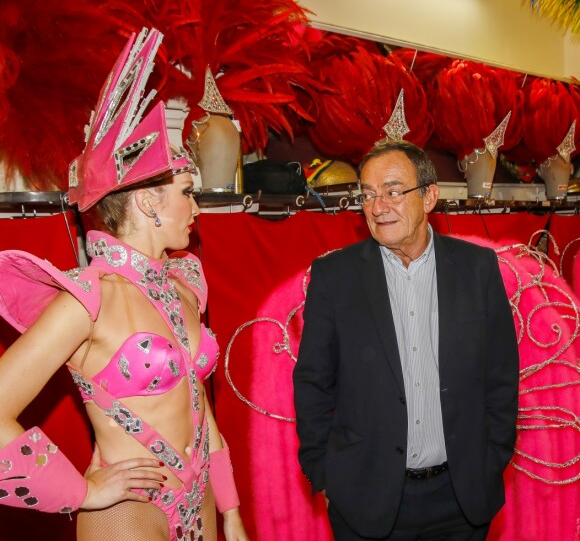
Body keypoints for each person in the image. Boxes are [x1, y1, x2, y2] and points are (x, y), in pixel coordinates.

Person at [0, 28, 248, 541]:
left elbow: (198, 406)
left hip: (199, 497)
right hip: (128, 513)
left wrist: (230, 509)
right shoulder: (89, 299)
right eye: (186, 192)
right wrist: (81, 494)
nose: (197, 208)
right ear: (148, 202)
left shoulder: (185, 284)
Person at [293, 140, 519, 540]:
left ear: (429, 196)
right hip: (366, 498)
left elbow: (501, 375)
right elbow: (312, 382)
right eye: (367, 194)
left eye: (394, 191)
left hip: (462, 497)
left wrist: (491, 458)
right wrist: (326, 475)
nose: (378, 206)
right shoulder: (335, 277)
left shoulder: (477, 269)